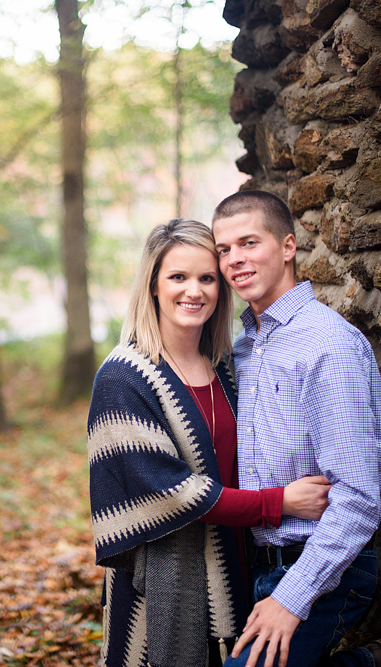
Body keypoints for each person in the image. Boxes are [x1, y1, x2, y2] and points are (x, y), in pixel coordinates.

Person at [88, 219, 333, 667]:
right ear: (153, 286)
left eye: (207, 278)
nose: (193, 291)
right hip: (165, 576)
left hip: (239, 562)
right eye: (177, 277)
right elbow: (172, 491)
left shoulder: (225, 366)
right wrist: (278, 502)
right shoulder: (123, 377)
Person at [212, 191, 381, 667]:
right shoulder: (241, 348)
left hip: (325, 569)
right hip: (257, 565)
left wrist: (290, 599)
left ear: (289, 246)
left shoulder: (329, 344)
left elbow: (357, 500)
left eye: (249, 243)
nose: (235, 260)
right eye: (223, 249)